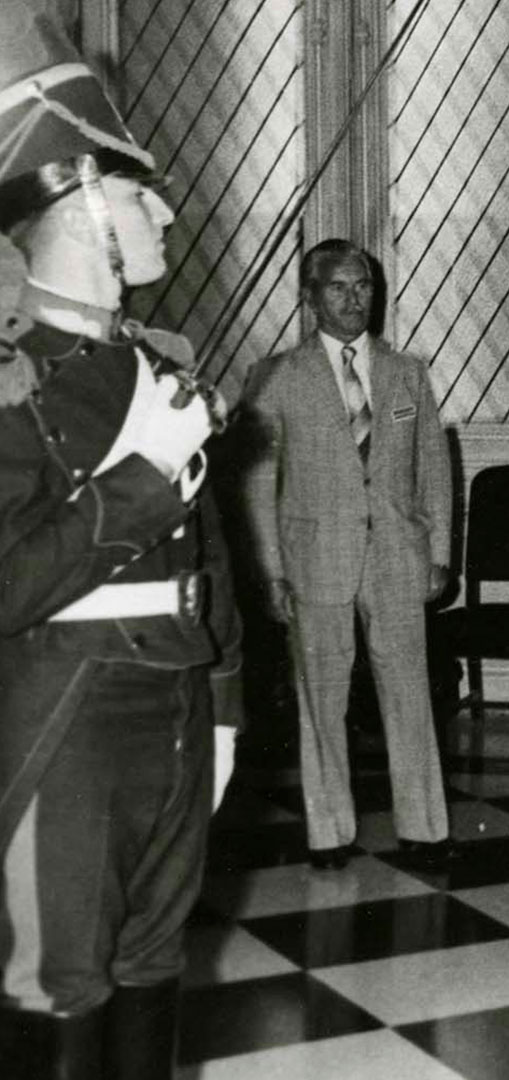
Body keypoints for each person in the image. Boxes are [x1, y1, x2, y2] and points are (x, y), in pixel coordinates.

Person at [0, 11, 244, 1076]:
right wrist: (140, 481)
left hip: (179, 708)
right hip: (66, 717)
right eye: (139, 191)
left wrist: (228, 702)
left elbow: (215, 566)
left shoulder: (161, 366)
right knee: (61, 979)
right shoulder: (13, 382)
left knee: (154, 963)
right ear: (78, 205)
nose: (167, 210)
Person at [240, 239, 453, 870]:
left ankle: (424, 828)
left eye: (363, 285)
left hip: (396, 555)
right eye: (338, 286)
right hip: (314, 558)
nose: (354, 298)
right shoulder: (277, 376)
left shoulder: (406, 371)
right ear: (310, 298)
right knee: (321, 697)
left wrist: (439, 550)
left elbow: (435, 471)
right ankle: (330, 832)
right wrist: (271, 569)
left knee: (409, 692)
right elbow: (257, 483)